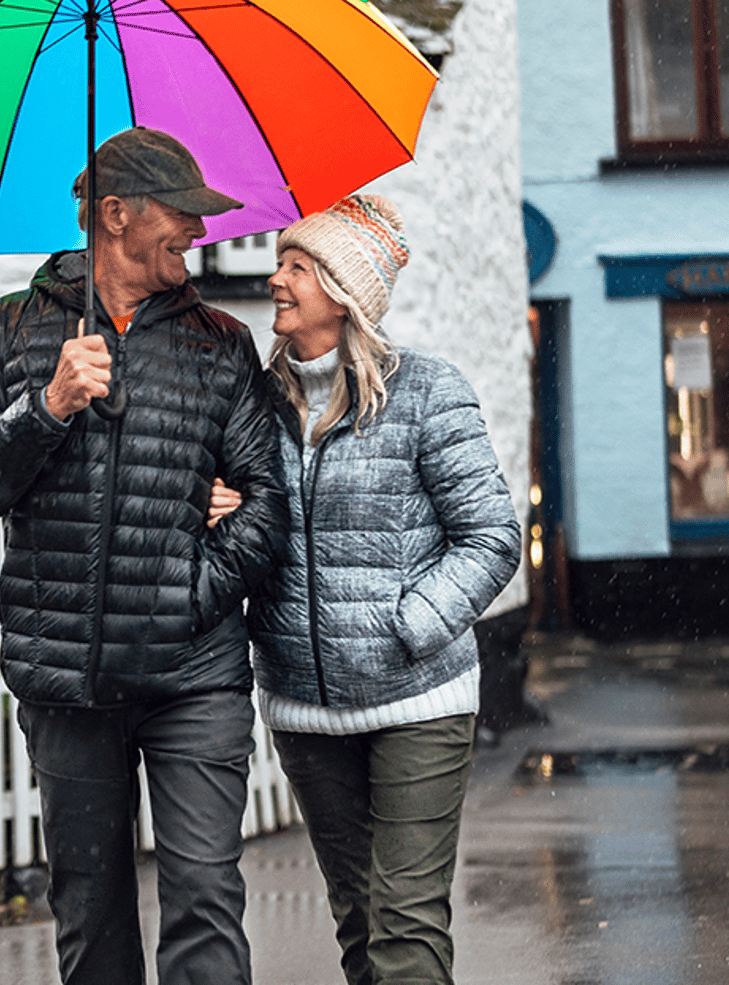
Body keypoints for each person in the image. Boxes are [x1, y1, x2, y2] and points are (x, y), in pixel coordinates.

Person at [0, 126, 288, 985]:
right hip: (66, 679)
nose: (198, 234)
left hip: (193, 671)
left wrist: (190, 590)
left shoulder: (221, 345)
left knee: (204, 895)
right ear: (116, 215)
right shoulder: (8, 331)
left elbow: (267, 503)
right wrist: (45, 407)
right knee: (90, 915)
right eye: (181, 215)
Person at [210, 193, 520, 985]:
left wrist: (409, 622)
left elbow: (491, 537)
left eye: (296, 267)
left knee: (406, 924)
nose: (275, 280)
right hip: (305, 707)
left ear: (344, 291)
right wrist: (225, 512)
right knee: (356, 916)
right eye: (278, 263)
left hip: (417, 699)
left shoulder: (425, 393)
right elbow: (256, 526)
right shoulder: (255, 404)